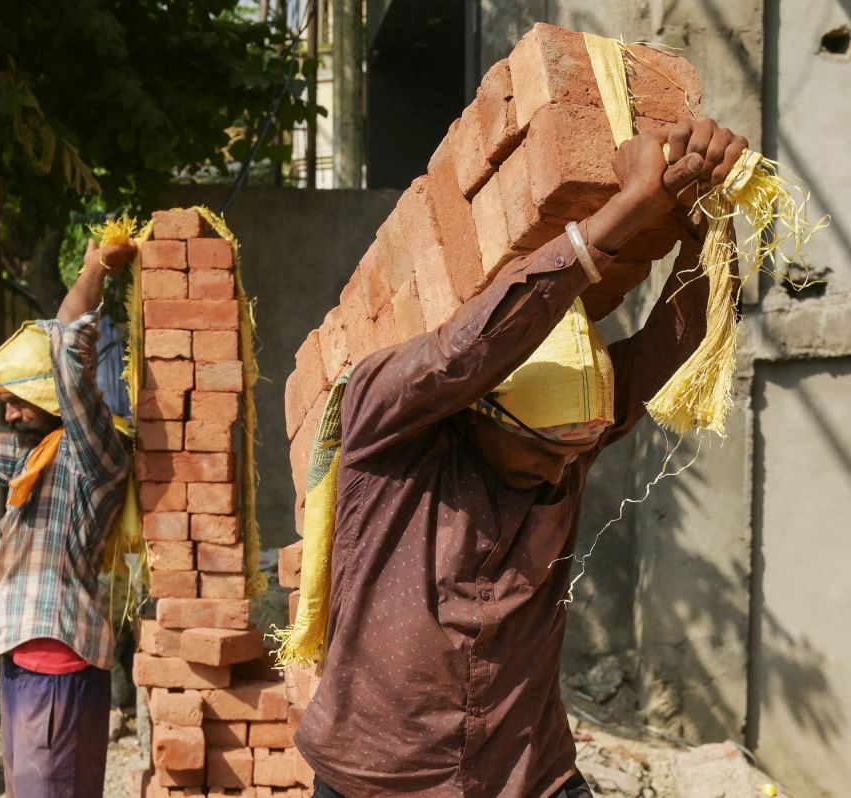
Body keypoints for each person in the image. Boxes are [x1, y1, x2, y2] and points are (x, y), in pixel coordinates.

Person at [293, 118, 748, 798]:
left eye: (579, 452)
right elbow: (465, 351)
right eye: (543, 451)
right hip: (378, 778)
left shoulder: (568, 446)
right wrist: (624, 210)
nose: (563, 470)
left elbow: (672, 343)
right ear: (482, 408)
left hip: (526, 777)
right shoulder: (388, 430)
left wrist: (711, 220)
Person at [0, 238, 136, 798]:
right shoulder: (31, 456)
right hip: (24, 665)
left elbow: (69, 349)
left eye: (19, 398)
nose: (11, 412)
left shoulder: (92, 455)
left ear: (52, 396)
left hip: (57, 668)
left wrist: (95, 271)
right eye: (3, 402)